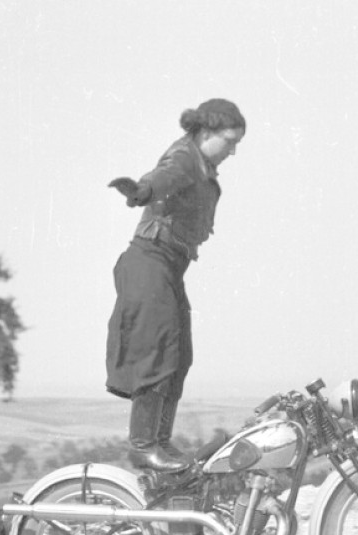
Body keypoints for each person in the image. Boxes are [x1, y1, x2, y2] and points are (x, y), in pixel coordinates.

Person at [105, 98, 245, 471]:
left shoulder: (201, 164)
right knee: (159, 352)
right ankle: (143, 445)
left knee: (179, 355)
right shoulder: (185, 157)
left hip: (168, 267)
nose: (232, 152)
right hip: (149, 262)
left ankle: (160, 444)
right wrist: (140, 191)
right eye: (229, 142)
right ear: (205, 132)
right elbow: (162, 178)